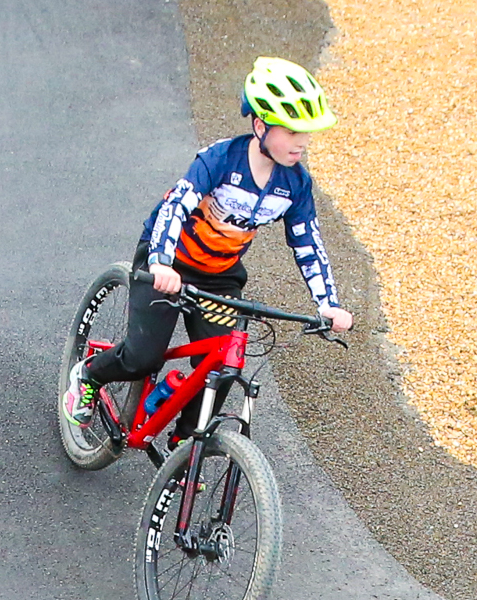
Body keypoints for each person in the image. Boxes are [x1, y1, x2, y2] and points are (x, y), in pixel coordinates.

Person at [62, 58, 357, 448]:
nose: (302, 141)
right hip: (168, 264)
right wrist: (161, 263)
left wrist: (328, 304)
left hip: (219, 276)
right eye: (292, 130)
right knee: (142, 358)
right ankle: (90, 376)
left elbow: (307, 242)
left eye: (308, 132)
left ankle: (184, 446)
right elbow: (174, 207)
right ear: (260, 125)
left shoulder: (296, 183)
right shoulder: (220, 160)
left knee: (221, 367)